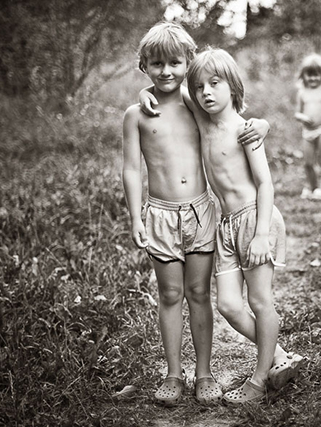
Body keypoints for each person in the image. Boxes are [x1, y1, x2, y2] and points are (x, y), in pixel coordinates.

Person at [122, 21, 269, 406]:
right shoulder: (136, 115)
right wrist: (135, 217)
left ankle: (204, 373)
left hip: (200, 213)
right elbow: (132, 168)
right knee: (170, 294)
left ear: (187, 64)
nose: (165, 71)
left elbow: (232, 116)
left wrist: (263, 124)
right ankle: (174, 373)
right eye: (156, 64)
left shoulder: (195, 105)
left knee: (199, 293)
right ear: (143, 66)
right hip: (160, 215)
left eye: (174, 63)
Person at [183, 47, 304, 404]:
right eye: (200, 86)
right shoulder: (202, 122)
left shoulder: (244, 131)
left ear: (233, 86)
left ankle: (259, 380)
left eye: (214, 83)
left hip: (254, 220)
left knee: (260, 300)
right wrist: (146, 93)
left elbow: (266, 184)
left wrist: (262, 234)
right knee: (229, 305)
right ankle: (279, 356)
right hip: (226, 226)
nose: (205, 92)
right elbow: (172, 88)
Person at [294, 53, 321, 200]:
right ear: (303, 75)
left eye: (316, 75)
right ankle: (313, 188)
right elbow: (297, 113)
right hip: (308, 132)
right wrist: (303, 117)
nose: (313, 78)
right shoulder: (302, 93)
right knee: (308, 163)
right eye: (309, 75)